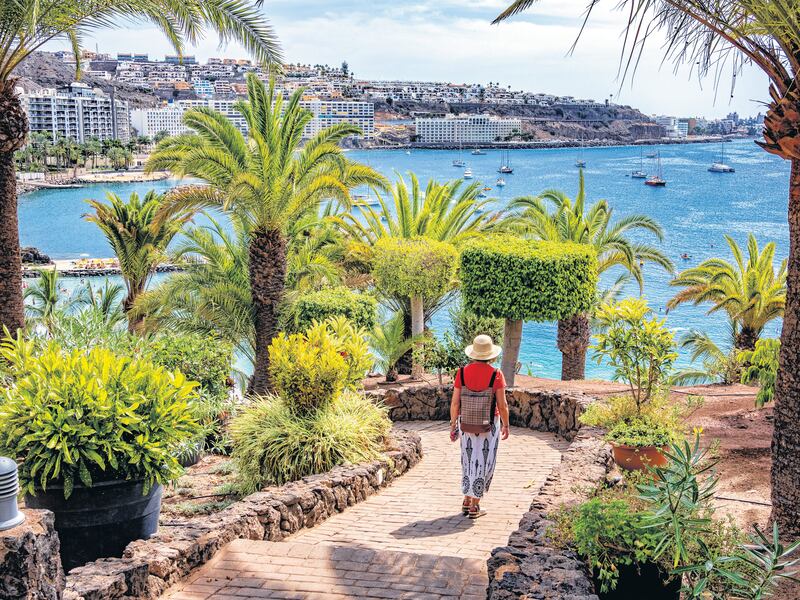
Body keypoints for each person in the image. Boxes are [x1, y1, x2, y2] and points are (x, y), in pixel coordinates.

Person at [449, 334, 510, 519]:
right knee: (483, 461)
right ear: (491, 355)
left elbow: (454, 403)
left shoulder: (461, 373)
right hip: (488, 426)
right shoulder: (496, 374)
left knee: (468, 461)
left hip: (466, 423)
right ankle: (475, 506)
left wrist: (453, 425)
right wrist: (506, 425)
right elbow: (502, 405)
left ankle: (467, 500)